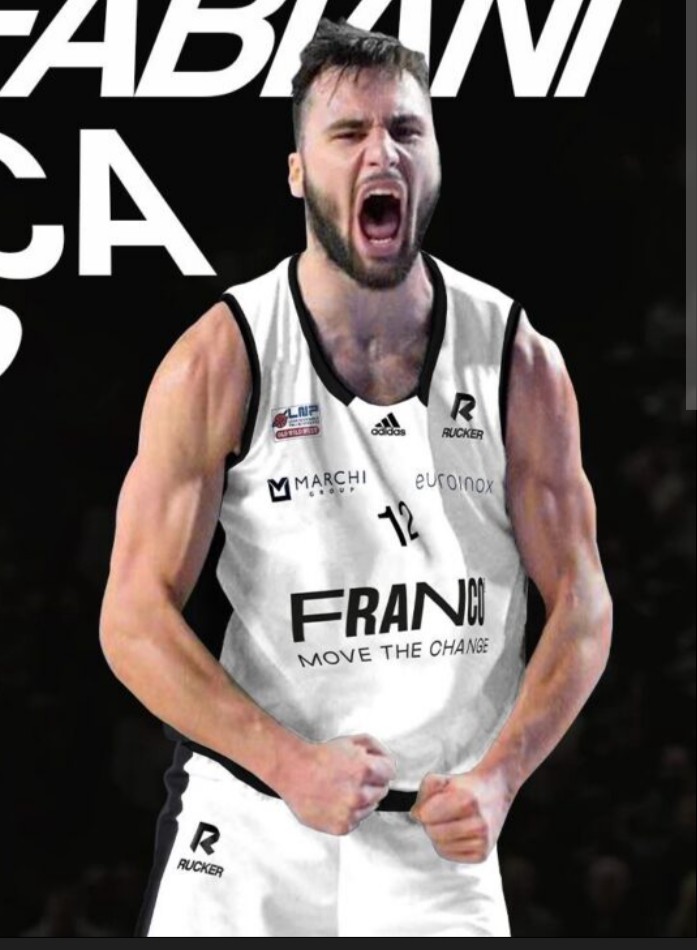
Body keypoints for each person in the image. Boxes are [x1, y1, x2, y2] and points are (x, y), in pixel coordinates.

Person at [99, 19, 613, 938]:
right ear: (299, 172)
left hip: (439, 831)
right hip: (253, 823)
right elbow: (132, 618)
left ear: (434, 161)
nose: (383, 152)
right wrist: (289, 763)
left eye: (406, 130)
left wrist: (502, 777)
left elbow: (582, 602)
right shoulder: (222, 356)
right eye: (348, 133)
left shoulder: (516, 358)